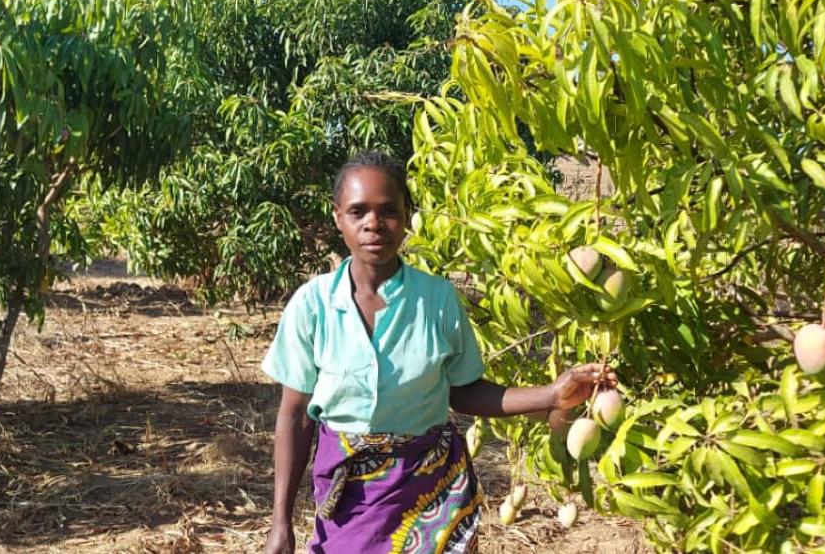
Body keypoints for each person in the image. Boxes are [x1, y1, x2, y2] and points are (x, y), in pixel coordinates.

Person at [261, 150, 615, 554]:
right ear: (337, 216)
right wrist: (280, 523)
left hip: (428, 493)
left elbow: (462, 390)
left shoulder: (437, 299)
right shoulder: (312, 305)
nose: (374, 224)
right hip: (349, 503)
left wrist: (553, 394)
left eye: (388, 211)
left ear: (406, 215)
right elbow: (294, 417)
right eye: (358, 211)